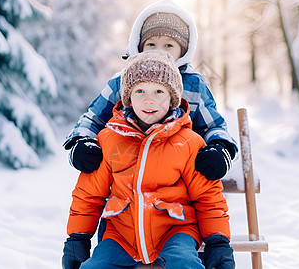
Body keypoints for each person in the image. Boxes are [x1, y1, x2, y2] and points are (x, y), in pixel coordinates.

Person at [62, 50, 235, 269]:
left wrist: (218, 241)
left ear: (172, 98)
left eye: (159, 91)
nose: (148, 99)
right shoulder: (109, 140)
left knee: (184, 263)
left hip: (176, 230)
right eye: (140, 90)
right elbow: (89, 194)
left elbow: (208, 197)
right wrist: (77, 238)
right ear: (128, 97)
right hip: (121, 234)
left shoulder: (188, 143)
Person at [64, 0, 238, 181]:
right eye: (151, 44)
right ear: (139, 47)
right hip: (126, 177)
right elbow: (93, 118)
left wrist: (219, 147)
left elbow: (212, 126)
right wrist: (82, 142)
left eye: (169, 45)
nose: (160, 51)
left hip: (178, 179)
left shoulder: (193, 86)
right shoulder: (123, 82)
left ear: (183, 50)